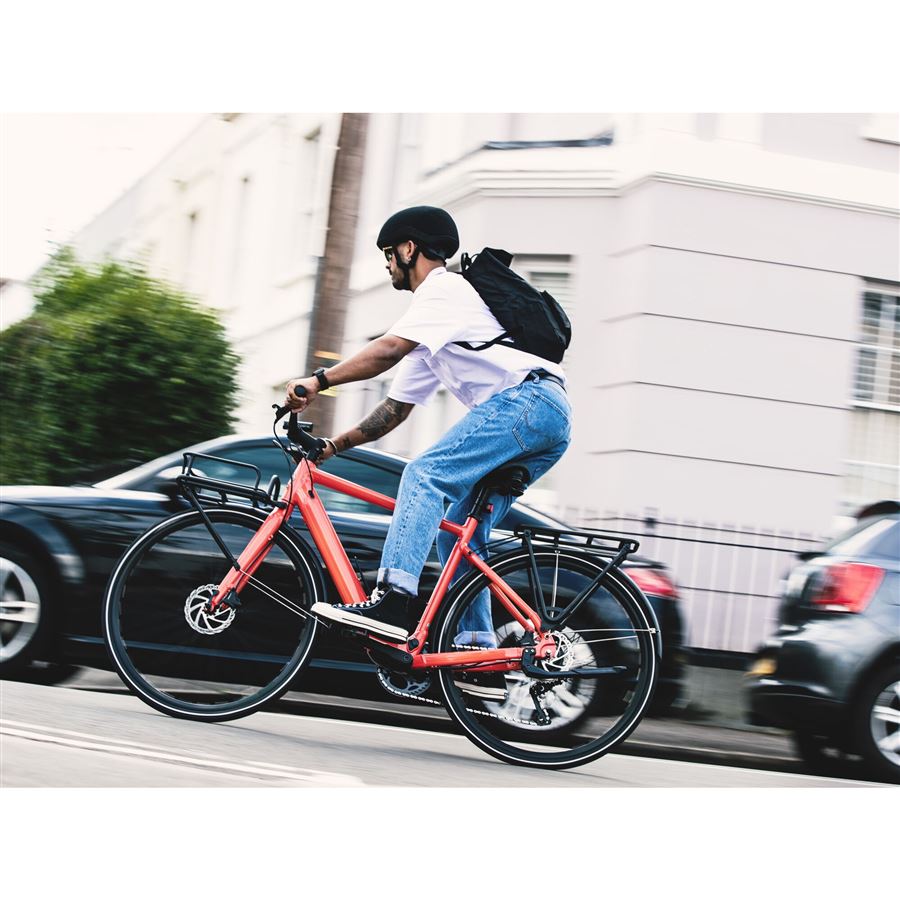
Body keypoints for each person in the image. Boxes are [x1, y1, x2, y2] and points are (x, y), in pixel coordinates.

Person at [284, 206, 571, 699]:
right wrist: (334, 445)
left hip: (528, 404)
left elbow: (387, 350)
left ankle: (393, 600)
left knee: (423, 475)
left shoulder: (444, 290)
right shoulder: (432, 333)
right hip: (545, 419)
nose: (386, 264)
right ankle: (479, 654)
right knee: (458, 530)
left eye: (388, 253)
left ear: (409, 248)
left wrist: (319, 380)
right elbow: (394, 411)